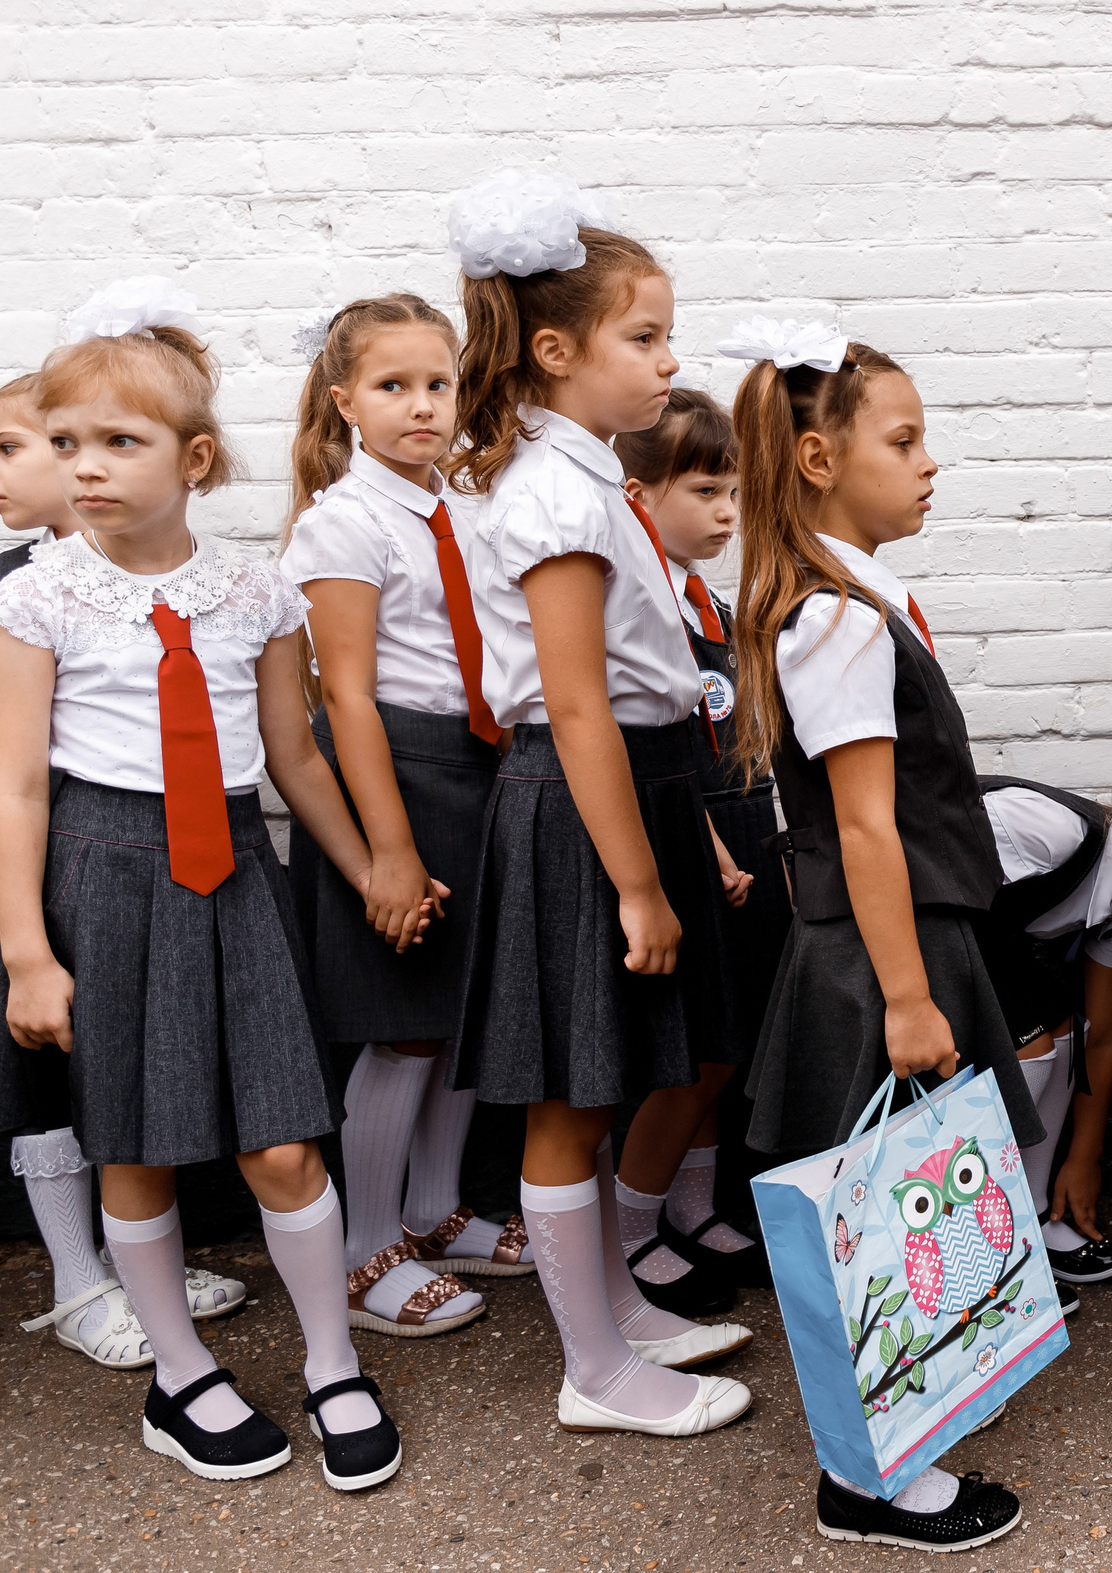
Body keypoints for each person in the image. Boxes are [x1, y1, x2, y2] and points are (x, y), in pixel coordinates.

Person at [0, 280, 406, 1488]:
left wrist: (370, 857)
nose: (87, 467)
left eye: (120, 441)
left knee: (282, 1142)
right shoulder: (37, 596)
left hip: (235, 877)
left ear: (197, 456)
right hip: (102, 878)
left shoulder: (256, 590)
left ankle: (333, 1358)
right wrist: (27, 948)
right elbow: (12, 784)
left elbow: (292, 753)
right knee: (138, 1145)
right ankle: (181, 1375)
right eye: (66, 445)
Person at [445, 171, 752, 1439]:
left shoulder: (593, 477)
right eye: (645, 337)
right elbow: (574, 705)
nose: (668, 360)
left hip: (647, 782)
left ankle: (614, 1309)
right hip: (588, 805)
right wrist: (633, 881)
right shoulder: (559, 496)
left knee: (611, 1072)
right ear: (557, 350)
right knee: (572, 1093)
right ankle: (592, 1365)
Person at [722, 318, 1027, 1552]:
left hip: (902, 942)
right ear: (814, 459)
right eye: (902, 441)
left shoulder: (854, 600)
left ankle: (899, 1438)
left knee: (903, 1209)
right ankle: (867, 1482)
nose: (927, 462)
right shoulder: (836, 617)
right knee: (875, 1211)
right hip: (876, 956)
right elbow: (862, 826)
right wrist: (906, 995)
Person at [0, 374, 249, 1370]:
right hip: (44, 860)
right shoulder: (4, 586)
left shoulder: (182, 576)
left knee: (119, 1083)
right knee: (49, 1076)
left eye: (9, 446)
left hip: (146, 853)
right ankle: (80, 1276)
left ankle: (133, 1268)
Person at [282, 295, 502, 1341]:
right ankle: (367, 1239)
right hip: (395, 776)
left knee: (462, 1009)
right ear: (344, 403)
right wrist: (390, 851)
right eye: (392, 385)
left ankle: (431, 1205)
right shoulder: (344, 521)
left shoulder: (460, 510)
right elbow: (348, 697)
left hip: (473, 766)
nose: (422, 405)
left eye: (438, 383)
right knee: (406, 1020)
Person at [609, 386, 775, 1309]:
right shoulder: (639, 605)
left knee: (729, 1042)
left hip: (745, 828)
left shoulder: (705, 597)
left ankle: (694, 1206)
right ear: (638, 495)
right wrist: (710, 844)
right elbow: (653, 748)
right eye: (707, 492)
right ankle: (631, 1233)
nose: (725, 514)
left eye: (733, 495)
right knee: (689, 1053)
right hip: (688, 831)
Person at [972, 776, 1112, 1309]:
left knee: (1064, 1029)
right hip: (924, 936)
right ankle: (990, 1251)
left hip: (992, 945)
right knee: (1030, 1048)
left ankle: (1033, 1212)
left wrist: (1085, 1155)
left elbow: (1102, 1033)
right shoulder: (1048, 832)